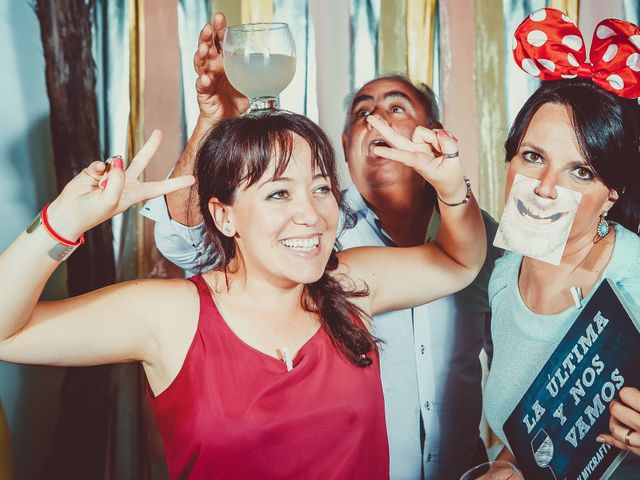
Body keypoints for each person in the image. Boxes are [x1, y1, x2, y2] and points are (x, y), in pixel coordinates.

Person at [0, 110, 486, 479]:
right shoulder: (172, 315)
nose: (312, 215)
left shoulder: (349, 287)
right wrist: (62, 222)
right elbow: (7, 335)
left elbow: (459, 261)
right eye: (279, 193)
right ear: (225, 216)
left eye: (321, 188)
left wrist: (449, 187)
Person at [143, 13, 500, 479]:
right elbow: (187, 242)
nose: (377, 120)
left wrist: (511, 458)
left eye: (397, 108)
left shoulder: (481, 232)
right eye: (362, 113)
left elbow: (516, 352)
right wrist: (214, 124)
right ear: (347, 145)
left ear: (431, 131)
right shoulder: (312, 235)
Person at [484, 7, 640, 472]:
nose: (547, 187)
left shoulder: (633, 277)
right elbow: (537, 431)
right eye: (533, 157)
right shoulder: (505, 271)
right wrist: (507, 466)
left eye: (580, 171)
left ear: (612, 193)